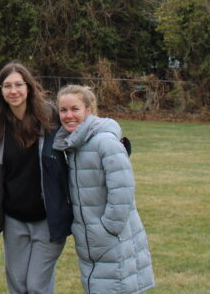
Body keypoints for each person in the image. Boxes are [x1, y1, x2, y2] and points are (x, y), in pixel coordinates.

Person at [53, 85, 155, 294]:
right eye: (63, 110)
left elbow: (122, 192)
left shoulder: (104, 142)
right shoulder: (73, 145)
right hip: (90, 240)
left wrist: (108, 228)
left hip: (111, 238)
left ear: (88, 110)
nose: (69, 115)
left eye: (75, 109)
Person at [0, 62, 72, 294]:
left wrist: (114, 141)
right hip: (14, 220)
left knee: (36, 286)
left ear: (29, 87)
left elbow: (83, 125)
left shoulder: (51, 117)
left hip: (47, 218)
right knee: (18, 285)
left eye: (18, 85)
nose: (13, 91)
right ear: (0, 91)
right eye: (7, 86)